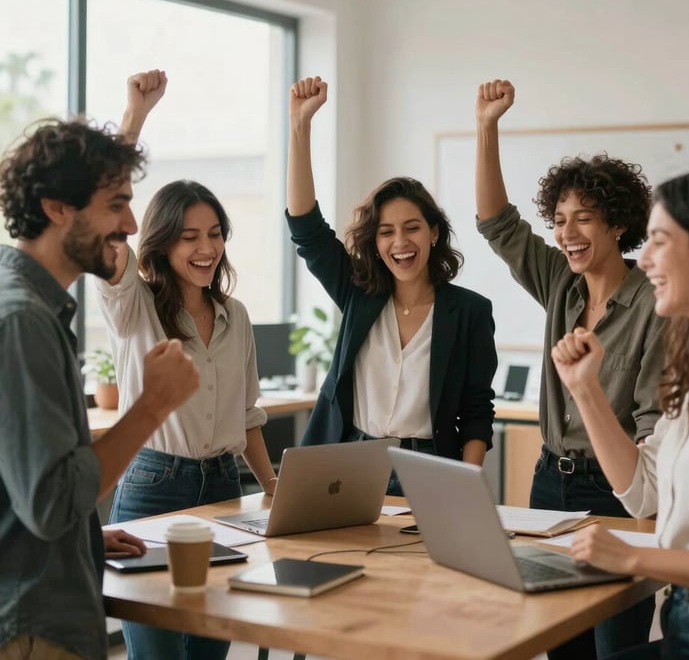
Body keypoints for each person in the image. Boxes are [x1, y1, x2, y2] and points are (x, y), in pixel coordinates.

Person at [475, 79, 663, 659]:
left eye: (584, 218)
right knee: (559, 641)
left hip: (620, 492)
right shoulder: (560, 280)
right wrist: (486, 126)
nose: (567, 233)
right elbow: (498, 224)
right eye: (559, 219)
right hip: (548, 484)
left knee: (616, 647)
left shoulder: (657, 303)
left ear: (618, 225)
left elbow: (654, 421)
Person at [0, 118, 199, 660]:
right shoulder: (22, 320)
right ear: (56, 207)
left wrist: (82, 537)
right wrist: (154, 403)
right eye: (115, 204)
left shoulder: (27, 306)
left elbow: (27, 487)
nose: (131, 223)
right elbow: (51, 502)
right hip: (34, 625)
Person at [95, 71, 277, 660]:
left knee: (206, 654)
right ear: (163, 242)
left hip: (225, 487)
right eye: (190, 237)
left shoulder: (236, 316)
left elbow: (247, 415)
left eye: (216, 234)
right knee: (157, 654)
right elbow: (101, 220)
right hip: (152, 486)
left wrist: (276, 492)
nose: (207, 249)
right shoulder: (133, 304)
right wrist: (135, 116)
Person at [555, 167, 689, 659]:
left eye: (659, 241)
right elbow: (641, 491)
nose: (644, 259)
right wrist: (585, 390)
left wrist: (633, 556)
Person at [287, 76, 496, 493]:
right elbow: (307, 228)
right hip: (350, 463)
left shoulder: (470, 311)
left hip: (431, 469)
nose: (400, 243)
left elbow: (477, 410)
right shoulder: (358, 292)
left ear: (433, 233)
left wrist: (466, 483)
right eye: (386, 232)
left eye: (412, 228)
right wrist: (299, 126)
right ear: (375, 241)